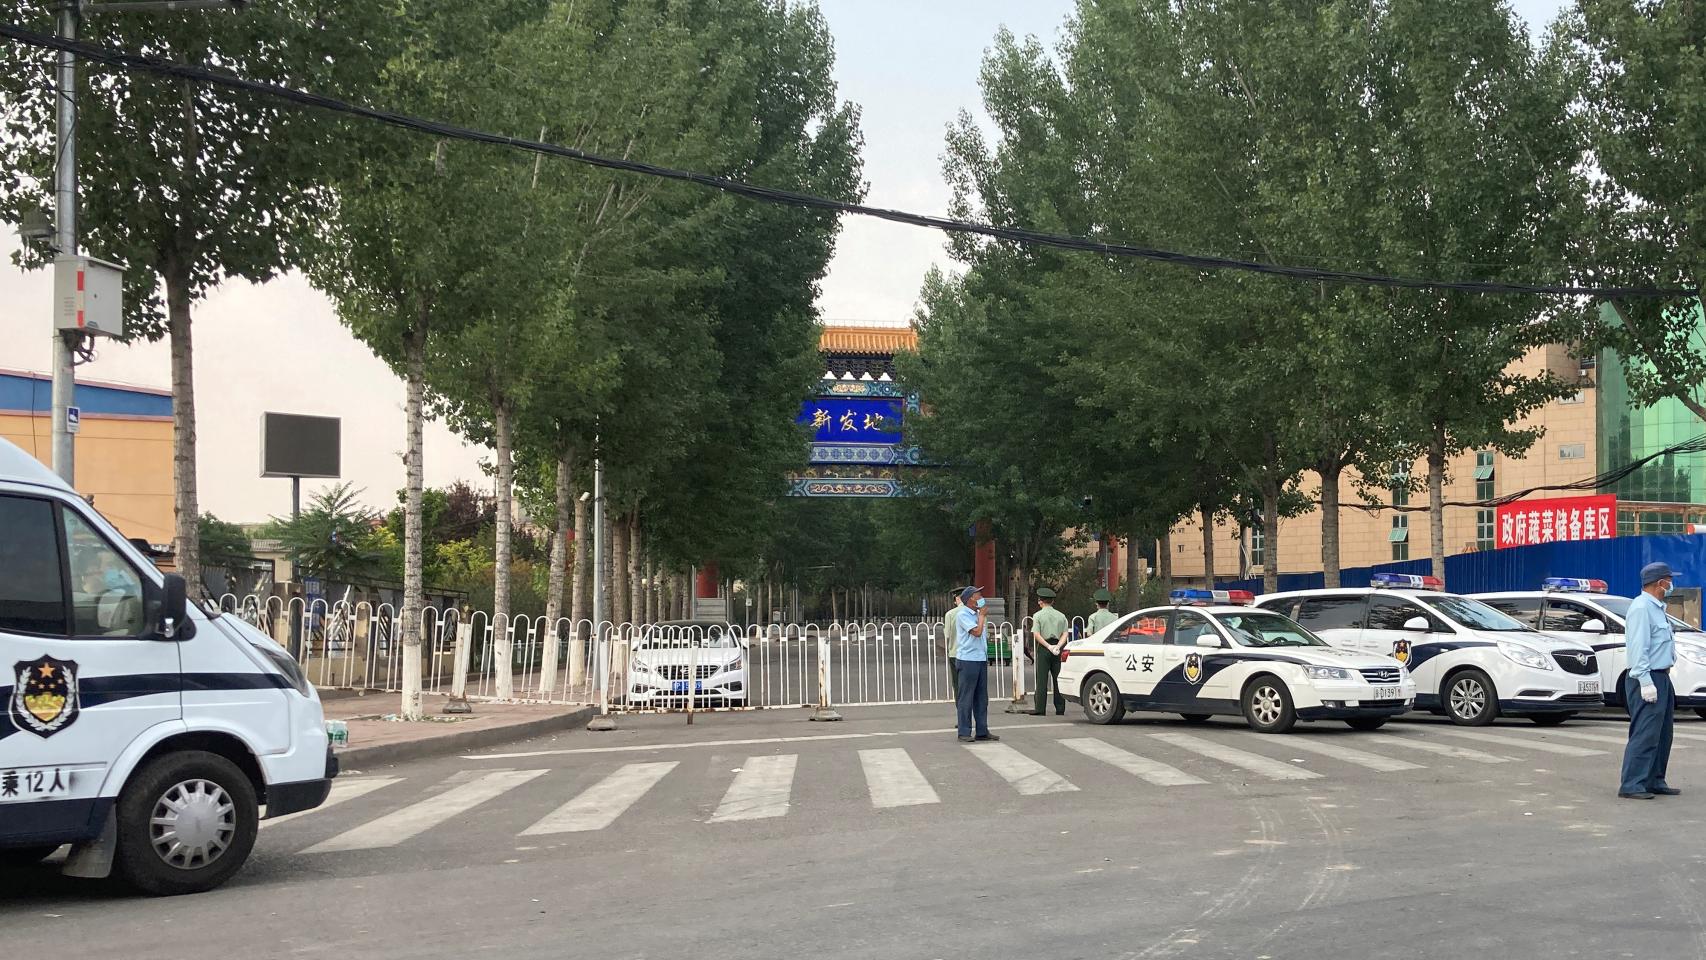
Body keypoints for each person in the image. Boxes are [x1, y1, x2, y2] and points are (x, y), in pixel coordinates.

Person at [1620, 561, 1681, 799]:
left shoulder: (1657, 607)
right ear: (1660, 583)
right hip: (1646, 677)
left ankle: (1654, 779)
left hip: (1662, 676)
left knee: (1663, 733)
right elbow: (1638, 648)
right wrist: (1645, 681)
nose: (1671, 584)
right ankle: (1632, 783)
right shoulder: (1641, 608)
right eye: (1669, 580)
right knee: (1645, 732)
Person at [954, 585, 998, 743]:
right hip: (967, 660)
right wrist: (982, 617)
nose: (981, 597)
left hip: (980, 658)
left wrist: (981, 616)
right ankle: (964, 731)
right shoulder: (963, 614)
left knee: (981, 697)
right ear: (969, 600)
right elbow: (977, 633)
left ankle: (982, 730)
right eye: (978, 595)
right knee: (966, 697)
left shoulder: (977, 614)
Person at [1030, 587, 1069, 716]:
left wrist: (1048, 646)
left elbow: (1036, 634)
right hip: (1058, 648)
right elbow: (1065, 634)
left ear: (1040, 601)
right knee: (1058, 678)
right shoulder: (1061, 615)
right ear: (1052, 601)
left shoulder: (1038, 615)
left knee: (1041, 679)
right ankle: (1060, 708)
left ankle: (1040, 708)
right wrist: (1058, 646)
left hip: (1044, 648)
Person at [941, 589, 965, 692]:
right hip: (974, 655)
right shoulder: (978, 613)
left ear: (957, 599)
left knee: (957, 683)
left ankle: (960, 706)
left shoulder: (950, 614)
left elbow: (947, 635)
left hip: (955, 653)